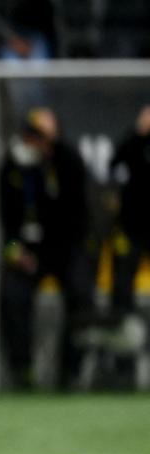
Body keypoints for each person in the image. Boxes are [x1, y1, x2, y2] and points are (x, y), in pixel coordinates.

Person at [0, 107, 95, 389]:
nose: (33, 142)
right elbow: (7, 228)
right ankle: (22, 369)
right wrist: (15, 250)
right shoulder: (12, 167)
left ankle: (71, 371)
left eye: (40, 137)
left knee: (81, 294)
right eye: (31, 135)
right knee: (11, 295)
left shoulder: (68, 161)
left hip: (65, 248)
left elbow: (80, 218)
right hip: (28, 250)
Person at [109, 105, 150, 321]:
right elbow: (114, 164)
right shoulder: (134, 143)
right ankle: (121, 331)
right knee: (123, 282)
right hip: (132, 225)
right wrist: (139, 132)